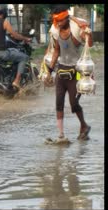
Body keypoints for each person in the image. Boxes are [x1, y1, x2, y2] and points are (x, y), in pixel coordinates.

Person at [45, 4, 92, 141]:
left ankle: (84, 125)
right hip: (61, 71)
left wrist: (89, 34)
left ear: (66, 18)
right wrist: (49, 69)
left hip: (75, 73)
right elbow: (56, 51)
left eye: (61, 20)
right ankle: (61, 135)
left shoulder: (76, 30)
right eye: (56, 21)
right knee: (59, 103)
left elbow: (89, 45)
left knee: (73, 103)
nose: (58, 23)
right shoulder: (56, 30)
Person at [0, 5, 32, 90]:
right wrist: (25, 38)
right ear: (4, 13)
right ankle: (16, 81)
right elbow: (14, 35)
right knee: (24, 57)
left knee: (10, 51)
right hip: (2, 52)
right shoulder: (4, 22)